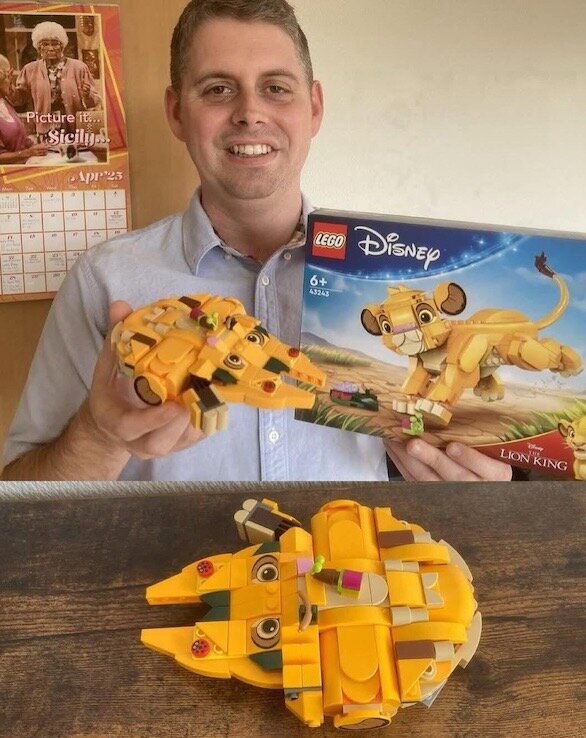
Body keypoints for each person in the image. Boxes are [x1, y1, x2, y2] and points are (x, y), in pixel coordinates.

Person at [1, 0, 511, 483]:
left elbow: (450, 440)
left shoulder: (392, 278)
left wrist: (472, 479)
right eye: (219, 89)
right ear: (177, 113)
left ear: (314, 107)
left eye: (276, 88)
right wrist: (99, 434)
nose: (250, 112)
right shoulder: (105, 282)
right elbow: (17, 509)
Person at [10, 21, 100, 136]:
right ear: (38, 47)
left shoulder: (79, 68)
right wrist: (8, 86)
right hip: (44, 130)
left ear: (62, 46)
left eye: (55, 44)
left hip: (75, 129)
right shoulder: (30, 69)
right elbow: (19, 100)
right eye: (45, 44)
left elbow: (95, 102)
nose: (51, 48)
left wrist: (86, 96)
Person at [0, 54, 48, 163]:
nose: (11, 81)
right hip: (9, 172)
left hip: (25, 165)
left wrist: (35, 145)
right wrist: (28, 153)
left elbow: (19, 138)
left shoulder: (5, 102)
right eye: (8, 76)